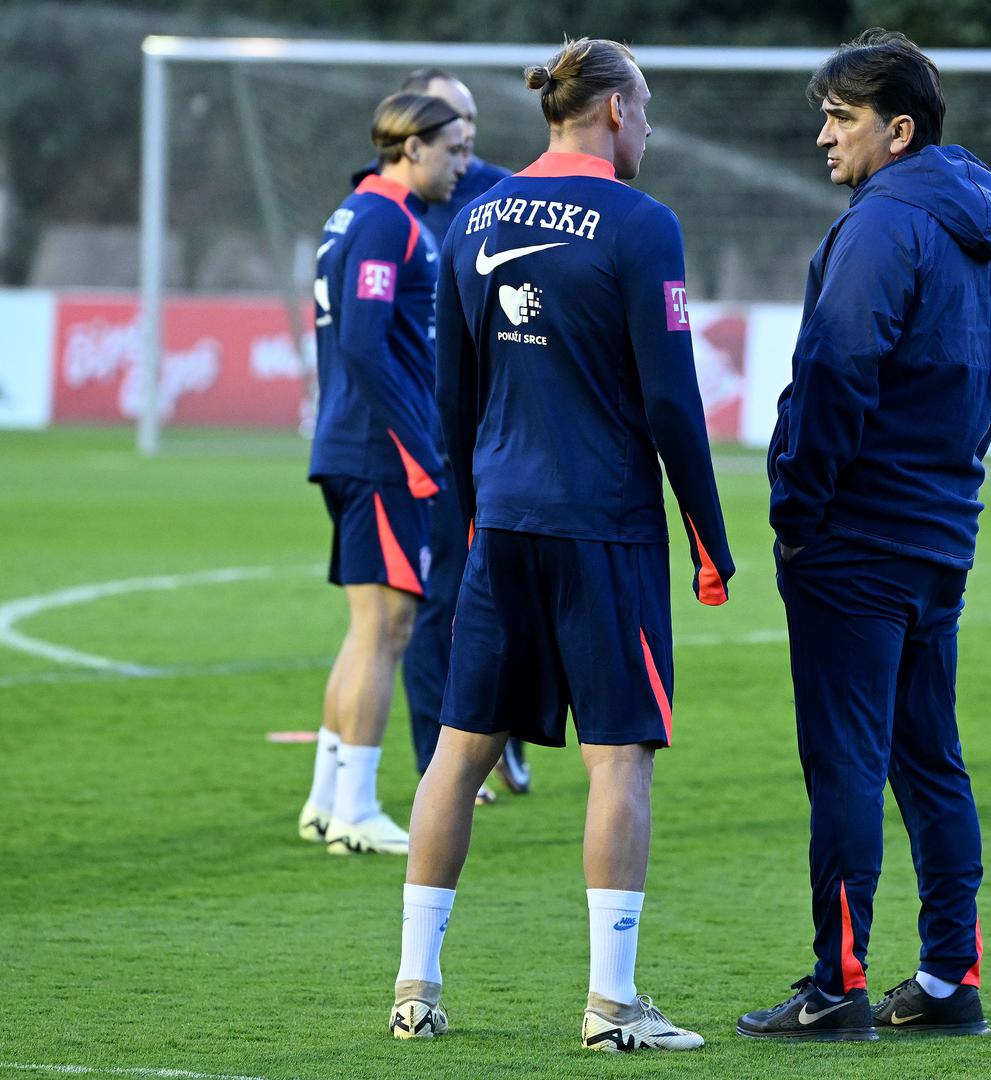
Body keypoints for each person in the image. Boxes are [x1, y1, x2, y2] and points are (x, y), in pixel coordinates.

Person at [388, 38, 734, 1052]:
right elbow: (672, 401)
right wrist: (708, 538)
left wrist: (471, 519)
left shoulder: (474, 217)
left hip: (501, 522)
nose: (650, 128)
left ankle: (414, 990)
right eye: (647, 108)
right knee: (619, 757)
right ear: (615, 111)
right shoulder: (641, 223)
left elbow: (451, 397)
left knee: (458, 750)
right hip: (604, 528)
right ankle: (612, 1005)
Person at [735, 29, 991, 1042]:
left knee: (848, 764)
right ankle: (948, 981)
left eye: (840, 117)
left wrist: (797, 509)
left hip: (856, 537)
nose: (824, 136)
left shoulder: (882, 225)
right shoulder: (977, 231)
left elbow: (835, 373)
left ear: (898, 131)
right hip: (940, 531)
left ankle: (837, 987)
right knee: (930, 759)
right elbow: (985, 391)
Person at [296, 91, 468, 856]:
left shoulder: (355, 213)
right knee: (389, 630)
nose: (462, 164)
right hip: (379, 453)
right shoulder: (385, 220)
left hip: (353, 445)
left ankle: (326, 800)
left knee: (367, 628)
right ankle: (356, 812)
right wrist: (417, 445)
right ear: (412, 147)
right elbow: (365, 345)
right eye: (453, 150)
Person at [363, 68, 533, 801]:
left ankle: (507, 732)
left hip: (504, 428)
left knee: (512, 585)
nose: (464, 139)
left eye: (469, 122)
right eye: (448, 124)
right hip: (426, 435)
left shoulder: (504, 192)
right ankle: (439, 758)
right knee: (431, 602)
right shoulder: (387, 208)